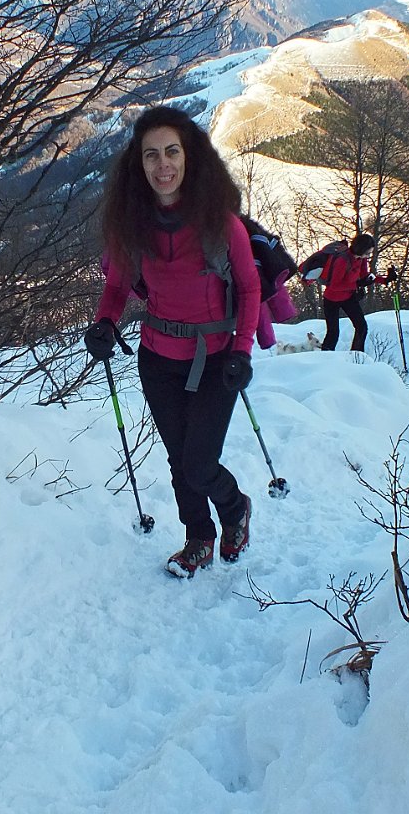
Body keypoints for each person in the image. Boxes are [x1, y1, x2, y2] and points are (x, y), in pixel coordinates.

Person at [83, 106, 260, 579]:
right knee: (179, 459)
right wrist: (105, 323)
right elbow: (118, 286)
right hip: (158, 357)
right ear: (138, 166)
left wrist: (242, 349)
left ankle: (235, 506)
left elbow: (248, 288)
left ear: (189, 157)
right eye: (151, 155)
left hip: (216, 358)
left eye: (172, 152)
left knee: (200, 463)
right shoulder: (133, 225)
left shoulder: (221, 226)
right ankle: (198, 538)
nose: (163, 165)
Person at [318, 233, 393, 354]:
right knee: (333, 333)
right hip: (331, 299)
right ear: (361, 249)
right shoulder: (342, 260)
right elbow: (334, 285)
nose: (368, 256)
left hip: (348, 297)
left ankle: (356, 357)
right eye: (368, 252)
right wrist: (357, 284)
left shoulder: (361, 259)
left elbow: (365, 276)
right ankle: (325, 359)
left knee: (361, 327)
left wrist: (385, 279)